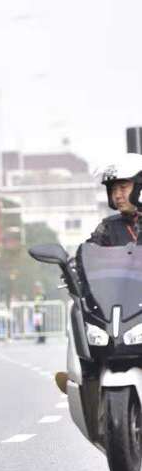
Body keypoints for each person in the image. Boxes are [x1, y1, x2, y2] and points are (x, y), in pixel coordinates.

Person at [55, 153, 142, 393]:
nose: (117, 194)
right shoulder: (108, 228)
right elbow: (89, 254)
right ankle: (82, 373)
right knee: (80, 313)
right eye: (113, 189)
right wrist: (72, 270)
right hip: (118, 307)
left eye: (123, 187)